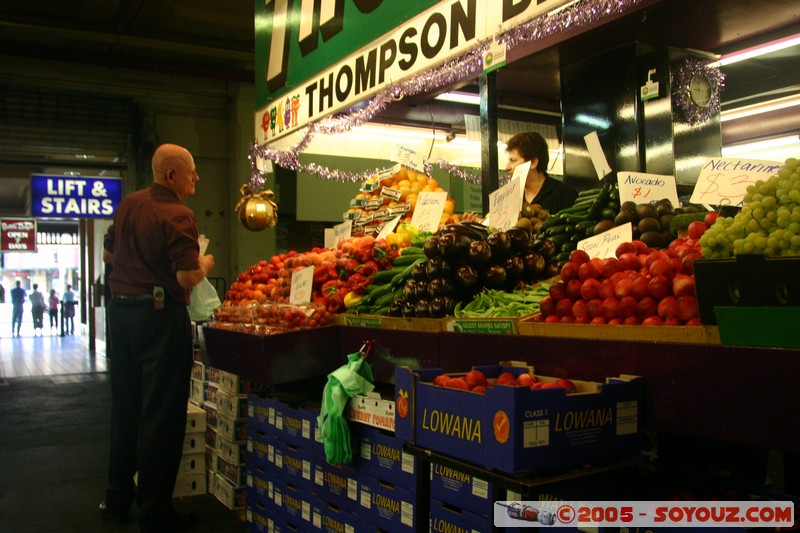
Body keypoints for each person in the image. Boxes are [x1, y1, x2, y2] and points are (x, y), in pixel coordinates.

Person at [100, 143, 215, 532]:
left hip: (121, 314)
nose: (196, 178)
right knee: (162, 416)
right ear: (171, 176)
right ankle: (154, 511)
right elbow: (185, 278)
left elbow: (107, 253)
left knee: (126, 410)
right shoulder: (178, 214)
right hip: (159, 316)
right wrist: (203, 264)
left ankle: (116, 501)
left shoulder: (129, 205)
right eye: (191, 172)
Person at [463, 131, 578, 221]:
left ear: (533, 163)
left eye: (513, 160)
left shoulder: (565, 195)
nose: (507, 167)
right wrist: (478, 224)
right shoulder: (508, 197)